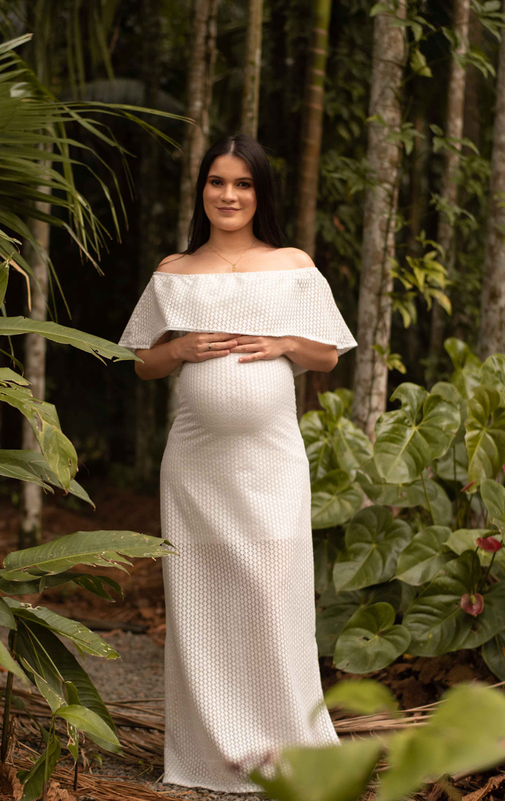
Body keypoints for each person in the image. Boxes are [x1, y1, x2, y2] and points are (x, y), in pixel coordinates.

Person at [117, 134, 358, 792]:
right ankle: (209, 754)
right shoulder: (174, 270)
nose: (228, 195)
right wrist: (182, 348)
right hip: (195, 464)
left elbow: (328, 355)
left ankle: (288, 745)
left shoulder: (291, 264)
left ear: (260, 194)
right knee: (201, 599)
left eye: (242, 184)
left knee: (275, 596)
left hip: (273, 460)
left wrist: (282, 340)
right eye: (217, 182)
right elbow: (142, 360)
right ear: (202, 191)